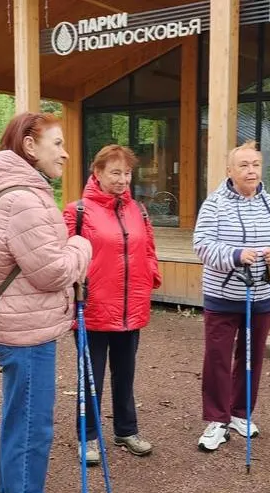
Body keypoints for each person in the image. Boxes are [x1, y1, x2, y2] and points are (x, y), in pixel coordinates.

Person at [0, 112, 91, 493]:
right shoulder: (23, 197)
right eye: (56, 143)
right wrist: (82, 245)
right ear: (28, 146)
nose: (64, 152)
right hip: (27, 331)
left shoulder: (15, 190)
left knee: (19, 422)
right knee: (30, 428)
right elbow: (52, 272)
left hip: (22, 323)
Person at [192, 140, 270, 452]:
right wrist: (237, 254)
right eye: (244, 165)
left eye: (255, 165)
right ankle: (217, 419)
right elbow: (201, 245)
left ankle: (240, 413)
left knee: (251, 357)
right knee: (217, 359)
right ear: (230, 171)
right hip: (223, 295)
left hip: (262, 295)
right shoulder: (214, 204)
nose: (251, 171)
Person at [62, 144, 161, 464]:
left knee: (126, 373)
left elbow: (148, 249)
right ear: (98, 173)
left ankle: (126, 430)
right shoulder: (77, 211)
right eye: (115, 173)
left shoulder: (138, 211)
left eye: (127, 173)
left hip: (131, 307)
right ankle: (87, 436)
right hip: (92, 307)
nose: (122, 180)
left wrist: (150, 279)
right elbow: (64, 257)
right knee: (91, 376)